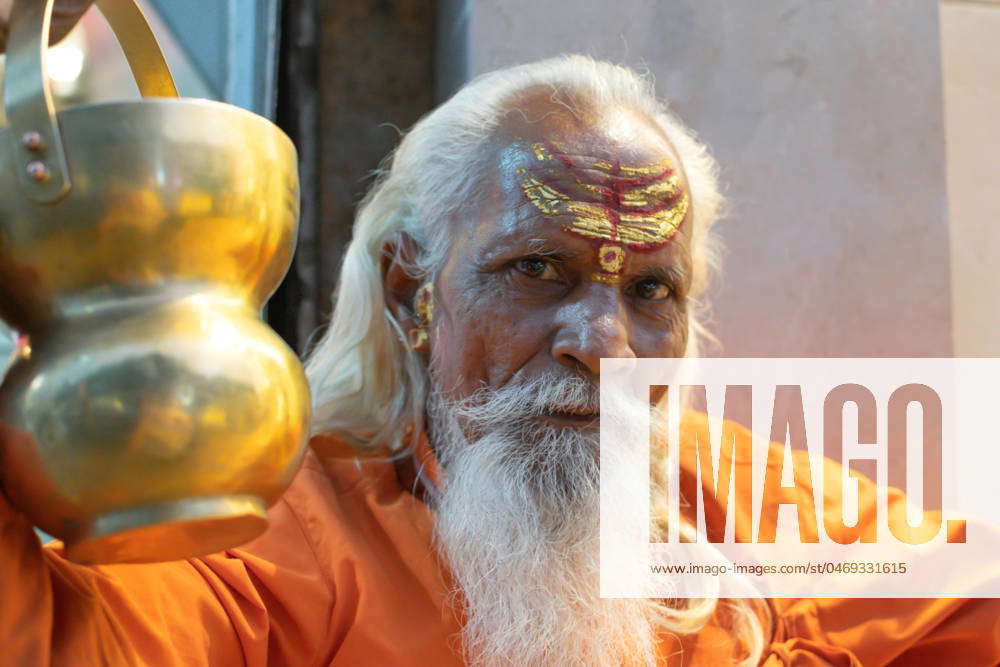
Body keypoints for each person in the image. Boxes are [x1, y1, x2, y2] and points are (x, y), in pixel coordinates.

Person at [1, 5, 998, 663]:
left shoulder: (730, 503)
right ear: (409, 290)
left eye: (652, 292)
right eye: (537, 271)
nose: (604, 344)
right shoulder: (288, 533)